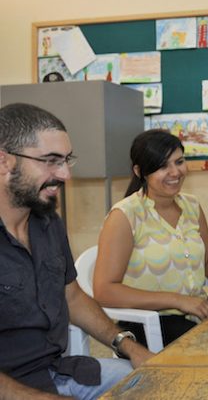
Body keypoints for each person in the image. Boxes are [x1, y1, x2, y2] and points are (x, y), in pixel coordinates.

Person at [0, 103, 152, 398]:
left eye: (67, 160)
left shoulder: (47, 223)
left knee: (154, 380)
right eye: (51, 161)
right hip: (13, 389)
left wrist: (128, 345)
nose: (66, 174)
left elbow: (72, 296)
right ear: (4, 161)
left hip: (58, 372)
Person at [93, 130, 208, 347]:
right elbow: (104, 291)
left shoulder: (192, 206)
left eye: (179, 162)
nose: (175, 172)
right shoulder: (125, 215)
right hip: (149, 325)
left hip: (196, 314)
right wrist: (177, 301)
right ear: (140, 172)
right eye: (162, 166)